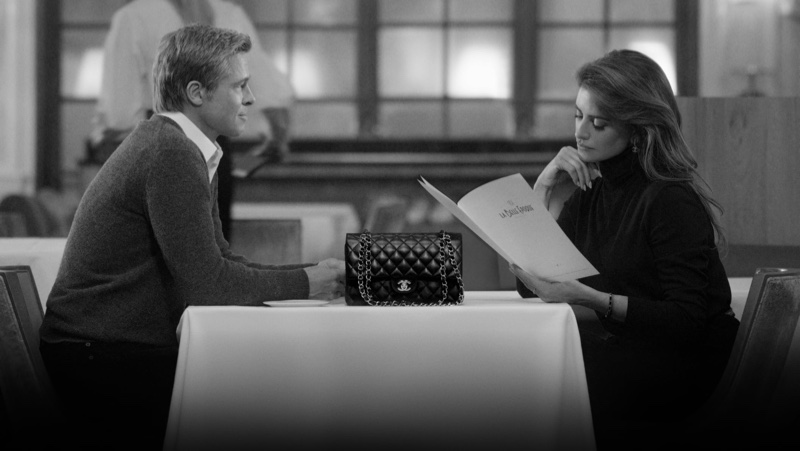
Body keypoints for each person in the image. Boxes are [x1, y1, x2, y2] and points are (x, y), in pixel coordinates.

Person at [39, 24, 344, 450]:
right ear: (197, 93)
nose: (251, 99)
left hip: (109, 347)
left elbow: (222, 261)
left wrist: (314, 275)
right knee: (269, 403)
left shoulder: (183, 145)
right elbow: (209, 285)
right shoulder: (172, 153)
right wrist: (311, 282)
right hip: (102, 358)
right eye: (240, 86)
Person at [509, 50, 739, 449]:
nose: (581, 133)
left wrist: (592, 298)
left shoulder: (668, 199)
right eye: (578, 116)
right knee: (526, 365)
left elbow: (686, 320)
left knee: (539, 378)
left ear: (637, 130)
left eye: (598, 123)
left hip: (689, 368)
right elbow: (530, 285)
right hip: (636, 354)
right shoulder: (593, 190)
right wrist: (543, 187)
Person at [90, 0, 294, 239]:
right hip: (189, 139)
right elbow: (260, 81)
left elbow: (119, 109)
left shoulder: (136, 16)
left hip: (178, 139)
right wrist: (276, 126)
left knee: (187, 242)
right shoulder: (138, 16)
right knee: (199, 241)